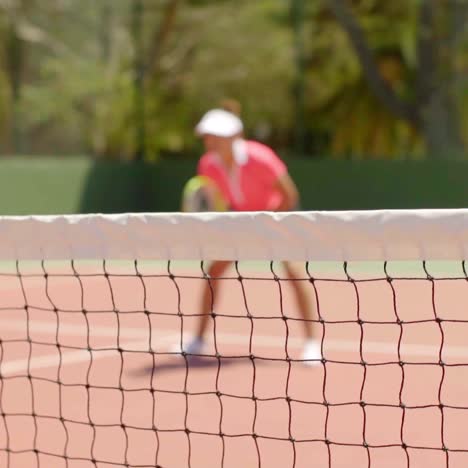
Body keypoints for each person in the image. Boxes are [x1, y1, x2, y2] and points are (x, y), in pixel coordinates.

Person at [178, 103, 321, 364]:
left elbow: (290, 195)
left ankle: (312, 344)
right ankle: (198, 339)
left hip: (277, 219)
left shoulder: (260, 157)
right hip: (241, 223)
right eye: (206, 135)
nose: (208, 141)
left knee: (294, 272)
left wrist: (267, 224)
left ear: (232, 136)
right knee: (214, 271)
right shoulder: (207, 164)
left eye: (214, 135)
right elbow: (217, 201)